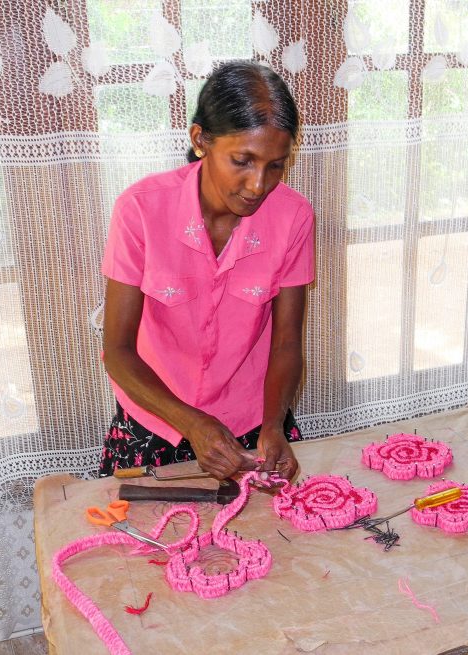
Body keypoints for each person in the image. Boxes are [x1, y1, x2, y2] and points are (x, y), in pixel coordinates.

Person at [98, 61, 314, 482]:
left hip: (255, 420)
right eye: (243, 161)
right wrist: (192, 423)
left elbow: (287, 342)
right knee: (147, 544)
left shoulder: (294, 216)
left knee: (269, 542)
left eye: (276, 166)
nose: (258, 185)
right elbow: (118, 351)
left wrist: (273, 427)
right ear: (200, 140)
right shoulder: (140, 210)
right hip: (155, 417)